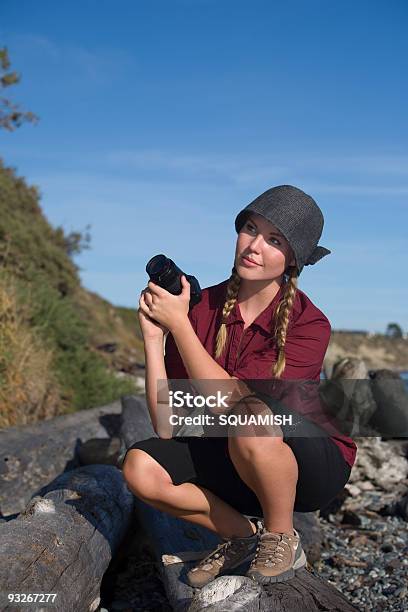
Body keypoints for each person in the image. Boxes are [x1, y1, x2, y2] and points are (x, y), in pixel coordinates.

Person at [122, 185, 357, 587]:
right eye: (250, 229)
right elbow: (165, 424)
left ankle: (282, 537)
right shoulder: (200, 309)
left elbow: (237, 405)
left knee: (250, 415)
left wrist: (180, 326)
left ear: (293, 258)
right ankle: (241, 536)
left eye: (274, 240)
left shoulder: (309, 324)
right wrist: (153, 339)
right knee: (140, 468)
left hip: (309, 467)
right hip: (240, 455)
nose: (254, 246)